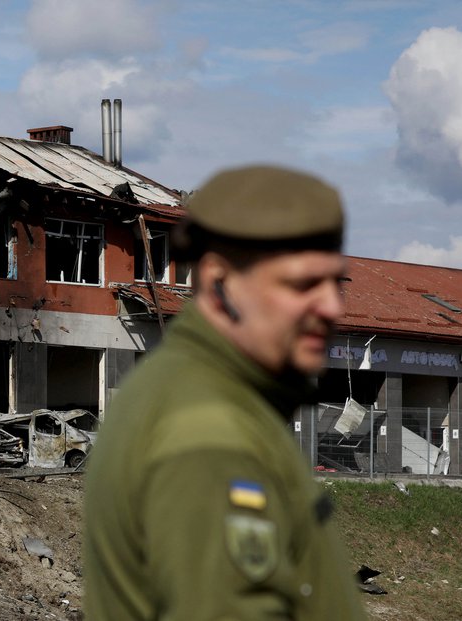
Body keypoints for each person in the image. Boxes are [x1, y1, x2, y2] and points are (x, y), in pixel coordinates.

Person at [83, 165, 367, 620]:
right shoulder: (209, 432)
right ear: (219, 282)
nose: (332, 306)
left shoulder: (204, 397)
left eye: (336, 282)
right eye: (301, 283)